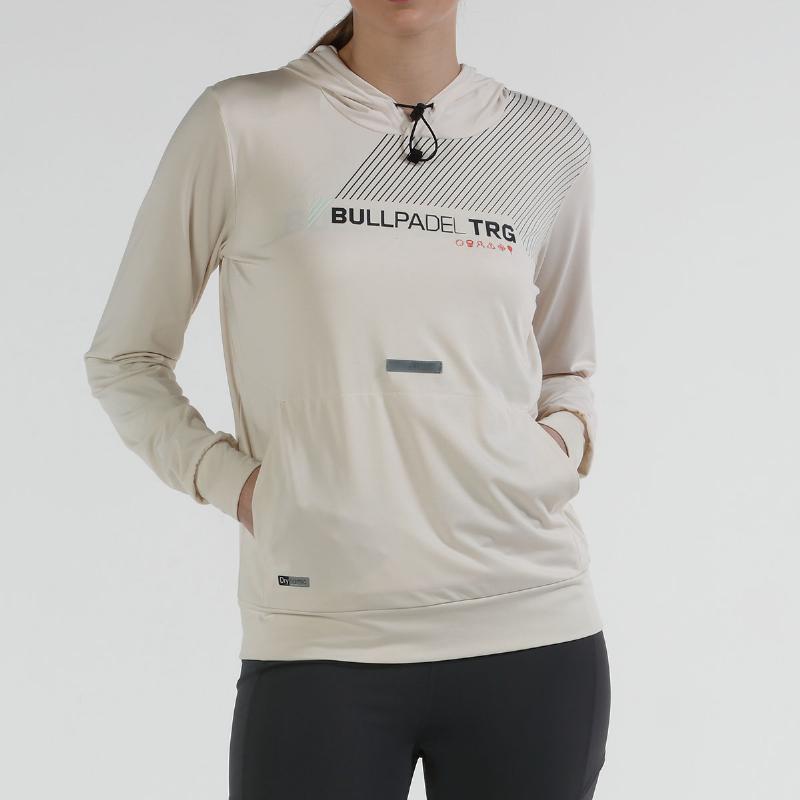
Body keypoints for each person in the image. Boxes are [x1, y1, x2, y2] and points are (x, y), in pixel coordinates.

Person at [83, 1, 611, 797]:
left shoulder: (547, 144)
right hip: (321, 642)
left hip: (531, 628)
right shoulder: (242, 124)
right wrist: (241, 487)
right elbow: (125, 359)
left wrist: (556, 449)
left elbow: (567, 368)